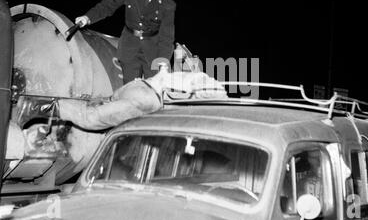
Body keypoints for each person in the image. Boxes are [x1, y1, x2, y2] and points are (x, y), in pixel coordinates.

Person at [17, 70, 227, 131]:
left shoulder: (208, 82)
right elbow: (199, 86)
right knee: (91, 119)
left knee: (99, 105)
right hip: (148, 101)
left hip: (140, 86)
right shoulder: (219, 98)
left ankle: (38, 106)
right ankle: (35, 107)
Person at [75, 0, 176, 83]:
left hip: (152, 53)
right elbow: (108, 5)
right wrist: (88, 17)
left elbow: (167, 38)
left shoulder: (168, 4)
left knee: (153, 93)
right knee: (130, 90)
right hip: (129, 48)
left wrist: (163, 64)